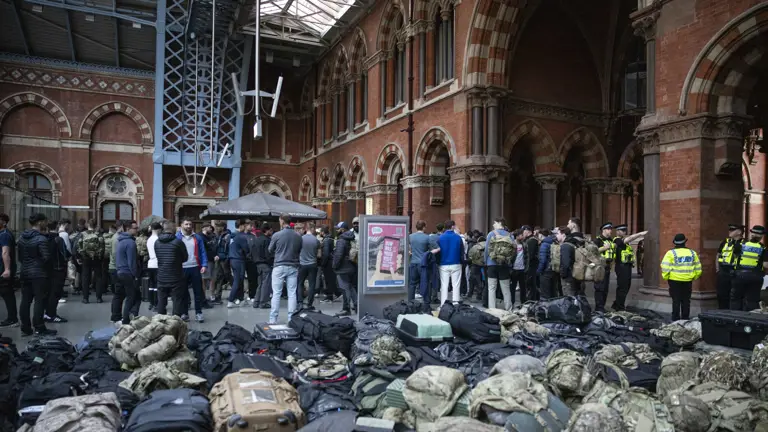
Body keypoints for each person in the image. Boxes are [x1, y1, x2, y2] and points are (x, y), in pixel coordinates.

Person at [18, 213, 55, 336]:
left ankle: (25, 328)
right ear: (40, 223)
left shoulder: (22, 238)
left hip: (25, 272)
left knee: (25, 300)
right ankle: (39, 327)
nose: (46, 223)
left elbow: (20, 257)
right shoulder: (41, 239)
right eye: (45, 221)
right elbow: (47, 258)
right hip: (39, 274)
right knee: (39, 300)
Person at [268, 214, 302, 323]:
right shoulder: (298, 236)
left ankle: (273, 319)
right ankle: (291, 319)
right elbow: (299, 250)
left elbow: (270, 249)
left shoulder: (276, 235)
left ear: (282, 221)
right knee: (292, 293)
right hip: (293, 266)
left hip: (279, 265)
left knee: (276, 293)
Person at [661, 233, 702, 320]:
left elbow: (665, 266)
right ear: (685, 242)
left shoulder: (670, 253)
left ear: (675, 243)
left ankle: (675, 319)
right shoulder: (692, 253)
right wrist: (693, 276)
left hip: (674, 280)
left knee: (676, 300)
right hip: (688, 280)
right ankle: (685, 319)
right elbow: (698, 268)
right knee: (686, 301)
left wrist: (666, 277)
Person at [176, 217, 208, 323]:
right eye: (186, 224)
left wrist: (204, 265)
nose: (189, 226)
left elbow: (202, 251)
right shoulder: (177, 237)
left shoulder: (197, 238)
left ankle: (199, 313)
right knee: (183, 293)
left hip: (195, 267)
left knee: (198, 292)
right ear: (181, 225)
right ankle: (184, 313)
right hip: (182, 268)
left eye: (190, 224)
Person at [154, 220, 188, 316]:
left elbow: (158, 256)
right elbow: (185, 258)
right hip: (176, 276)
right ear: (173, 229)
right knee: (177, 301)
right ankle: (175, 322)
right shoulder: (178, 242)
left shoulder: (157, 242)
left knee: (161, 301)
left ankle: (160, 322)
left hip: (161, 276)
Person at [731, 225, 767, 311]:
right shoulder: (763, 248)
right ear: (761, 236)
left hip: (739, 276)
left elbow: (734, 256)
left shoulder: (741, 244)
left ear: (751, 234)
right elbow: (766, 265)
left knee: (736, 299)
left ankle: (735, 319)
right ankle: (749, 321)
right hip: (755, 277)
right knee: (752, 301)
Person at [612, 224, 647, 311]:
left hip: (627, 267)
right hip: (621, 267)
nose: (624, 232)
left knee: (626, 286)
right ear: (618, 232)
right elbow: (628, 238)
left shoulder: (625, 243)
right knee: (622, 287)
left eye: (625, 231)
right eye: (623, 231)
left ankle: (618, 303)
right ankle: (619, 307)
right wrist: (640, 234)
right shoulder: (617, 240)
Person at [431, 220, 464, 305]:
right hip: (456, 263)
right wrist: (462, 262)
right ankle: (456, 304)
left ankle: (443, 305)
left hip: (443, 264)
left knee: (444, 285)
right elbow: (461, 252)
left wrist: (438, 262)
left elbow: (438, 252)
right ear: (452, 226)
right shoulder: (458, 237)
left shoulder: (440, 238)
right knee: (456, 285)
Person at [114, 219, 140, 325]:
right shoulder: (130, 242)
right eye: (135, 228)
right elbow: (132, 261)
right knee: (132, 296)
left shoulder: (120, 241)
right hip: (128, 273)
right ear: (128, 229)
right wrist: (136, 275)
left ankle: (128, 316)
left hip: (120, 271)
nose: (137, 230)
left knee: (130, 295)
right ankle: (127, 319)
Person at [44, 220, 69, 324]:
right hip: (59, 269)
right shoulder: (58, 240)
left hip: (47, 270)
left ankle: (46, 313)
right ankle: (52, 314)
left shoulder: (44, 239)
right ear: (58, 226)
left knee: (48, 293)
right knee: (55, 293)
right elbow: (65, 254)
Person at [485, 218, 512, 310]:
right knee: (506, 288)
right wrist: (509, 262)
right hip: (504, 264)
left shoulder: (491, 234)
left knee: (492, 288)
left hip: (492, 264)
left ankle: (492, 309)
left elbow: (486, 249)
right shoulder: (509, 235)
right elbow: (513, 250)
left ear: (500, 223)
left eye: (494, 223)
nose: (493, 225)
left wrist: (486, 261)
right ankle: (508, 308)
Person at [77, 219, 106, 304]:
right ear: (96, 225)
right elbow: (102, 246)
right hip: (97, 257)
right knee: (98, 277)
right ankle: (99, 298)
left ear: (87, 225)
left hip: (86, 257)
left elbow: (78, 246)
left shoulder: (83, 234)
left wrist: (79, 257)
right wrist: (101, 257)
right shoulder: (99, 234)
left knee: (85, 277)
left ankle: (85, 298)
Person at [716, 224, 743, 310]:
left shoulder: (745, 243)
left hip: (736, 272)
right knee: (722, 295)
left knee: (736, 296)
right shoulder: (726, 241)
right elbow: (718, 255)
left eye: (732, 230)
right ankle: (722, 314)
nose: (729, 231)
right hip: (723, 272)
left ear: (739, 232)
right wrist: (717, 269)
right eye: (729, 229)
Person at [333, 221, 357, 316]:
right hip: (351, 266)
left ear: (343, 230)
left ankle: (346, 308)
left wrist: (334, 265)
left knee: (344, 288)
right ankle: (357, 305)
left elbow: (338, 255)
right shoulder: (351, 238)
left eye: (338, 229)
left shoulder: (341, 240)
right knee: (351, 287)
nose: (337, 230)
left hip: (343, 268)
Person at [227, 219, 251, 308]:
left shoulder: (231, 235)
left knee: (239, 280)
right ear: (241, 226)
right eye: (244, 226)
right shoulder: (241, 236)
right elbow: (247, 249)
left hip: (232, 259)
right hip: (239, 259)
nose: (245, 228)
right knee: (237, 281)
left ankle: (240, 299)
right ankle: (230, 299)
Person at [250, 222, 273, 309]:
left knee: (260, 284)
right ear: (267, 230)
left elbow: (251, 252)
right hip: (265, 264)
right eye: (270, 230)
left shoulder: (256, 239)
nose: (271, 232)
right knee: (266, 284)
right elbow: (268, 254)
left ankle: (256, 301)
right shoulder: (266, 240)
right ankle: (263, 302)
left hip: (257, 264)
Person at [593, 222, 615, 313]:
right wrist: (604, 248)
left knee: (605, 288)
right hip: (599, 267)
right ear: (604, 230)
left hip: (607, 267)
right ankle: (598, 308)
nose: (610, 231)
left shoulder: (611, 240)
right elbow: (593, 252)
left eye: (611, 229)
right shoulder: (597, 240)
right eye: (609, 229)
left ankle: (602, 306)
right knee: (599, 288)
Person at [0, 213, 17, 328]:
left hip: (3, 269)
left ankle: (12, 318)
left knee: (7, 293)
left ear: (4, 222)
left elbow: (5, 253)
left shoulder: (5, 235)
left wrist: (7, 269)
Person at [298, 224, 321, 308]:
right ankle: (309, 304)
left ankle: (300, 302)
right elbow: (319, 255)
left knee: (300, 283)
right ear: (312, 228)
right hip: (312, 264)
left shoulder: (301, 239)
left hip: (302, 264)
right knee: (312, 284)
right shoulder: (316, 240)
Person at [408, 220, 431, 301]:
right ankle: (426, 303)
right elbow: (432, 249)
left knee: (412, 284)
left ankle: (410, 302)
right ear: (424, 227)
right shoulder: (427, 237)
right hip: (423, 264)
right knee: (425, 283)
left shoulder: (410, 236)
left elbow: (406, 247)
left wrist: (410, 252)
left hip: (413, 262)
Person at [559, 226, 585, 296]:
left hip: (569, 277)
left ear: (563, 235)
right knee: (577, 296)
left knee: (569, 297)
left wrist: (563, 275)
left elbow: (566, 263)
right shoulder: (575, 243)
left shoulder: (565, 246)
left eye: (558, 234)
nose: (556, 236)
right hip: (577, 274)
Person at [211, 221, 231, 304]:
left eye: (218, 226)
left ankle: (237, 294)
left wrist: (221, 256)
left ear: (223, 227)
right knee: (219, 278)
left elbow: (228, 250)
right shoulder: (218, 236)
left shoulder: (227, 236)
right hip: (219, 259)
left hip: (224, 260)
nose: (216, 228)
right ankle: (218, 297)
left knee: (229, 277)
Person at [319, 226, 338, 303]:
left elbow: (326, 253)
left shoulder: (326, 240)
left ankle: (329, 297)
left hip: (327, 263)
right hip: (331, 261)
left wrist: (323, 263)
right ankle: (336, 293)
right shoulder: (331, 238)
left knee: (328, 280)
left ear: (323, 232)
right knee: (331, 279)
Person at [537, 229, 557, 299]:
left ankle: (545, 308)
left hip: (545, 271)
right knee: (553, 292)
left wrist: (539, 271)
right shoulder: (553, 242)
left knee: (545, 294)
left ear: (541, 235)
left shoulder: (544, 244)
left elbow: (543, 260)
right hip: (553, 269)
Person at [146, 222, 161, 311]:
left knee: (151, 284)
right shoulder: (157, 239)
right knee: (157, 285)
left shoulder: (149, 239)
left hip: (150, 263)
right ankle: (156, 303)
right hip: (157, 263)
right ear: (158, 229)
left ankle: (151, 302)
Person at [522, 225, 539, 302]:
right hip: (533, 266)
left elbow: (530, 255)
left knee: (531, 284)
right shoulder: (531, 240)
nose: (522, 233)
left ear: (527, 231)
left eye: (523, 231)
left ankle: (532, 301)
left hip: (532, 266)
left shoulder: (531, 240)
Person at [510, 230, 527, 304]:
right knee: (512, 287)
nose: (522, 236)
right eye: (521, 235)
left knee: (523, 287)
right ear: (517, 236)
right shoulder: (512, 244)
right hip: (514, 269)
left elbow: (526, 256)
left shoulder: (524, 244)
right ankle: (512, 302)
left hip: (522, 269)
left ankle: (523, 302)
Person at [201, 224, 216, 305]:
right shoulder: (201, 237)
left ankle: (212, 296)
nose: (211, 229)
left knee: (212, 278)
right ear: (205, 228)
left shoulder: (211, 236)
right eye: (210, 228)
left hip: (212, 260)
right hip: (206, 261)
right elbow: (203, 250)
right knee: (204, 279)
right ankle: (204, 297)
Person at [103, 224, 118, 293]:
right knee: (112, 274)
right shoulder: (115, 237)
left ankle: (104, 287)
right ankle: (112, 288)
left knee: (104, 273)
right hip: (112, 257)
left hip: (104, 256)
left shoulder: (103, 236)